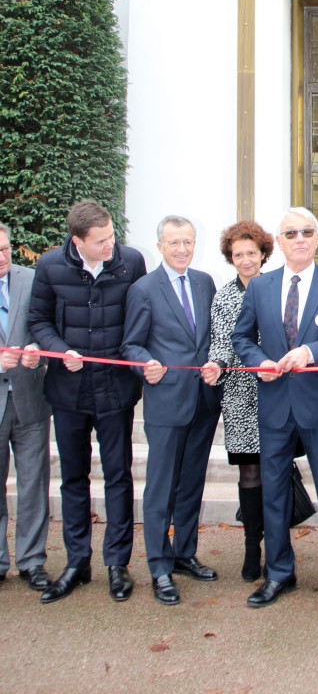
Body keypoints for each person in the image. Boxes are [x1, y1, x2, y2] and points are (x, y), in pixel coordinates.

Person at [232, 207, 318, 613]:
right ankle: (278, 572)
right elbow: (241, 337)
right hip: (274, 407)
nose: (299, 238)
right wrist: (259, 362)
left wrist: (310, 352)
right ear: (280, 241)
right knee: (274, 494)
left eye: (307, 232)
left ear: (317, 238)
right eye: (291, 233)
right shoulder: (260, 287)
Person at [28, 200, 146, 604]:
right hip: (68, 392)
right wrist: (60, 350)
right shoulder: (50, 266)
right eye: (101, 241)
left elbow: (140, 318)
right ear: (78, 241)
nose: (110, 245)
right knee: (73, 479)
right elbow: (38, 320)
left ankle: (118, 563)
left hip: (115, 391)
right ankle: (77, 562)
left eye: (112, 236)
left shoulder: (131, 262)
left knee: (118, 476)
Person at [121, 215, 221, 605]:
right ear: (160, 246)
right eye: (174, 242)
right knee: (161, 488)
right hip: (166, 401)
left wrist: (216, 363)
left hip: (203, 401)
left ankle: (184, 553)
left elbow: (211, 338)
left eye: (188, 242)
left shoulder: (204, 282)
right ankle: (159, 567)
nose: (182, 249)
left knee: (191, 483)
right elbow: (131, 345)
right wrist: (144, 363)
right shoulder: (144, 289)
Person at [202, 220, 275, 582]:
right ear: (230, 259)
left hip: (277, 390)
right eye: (238, 255)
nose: (246, 260)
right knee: (249, 473)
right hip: (239, 395)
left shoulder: (278, 287)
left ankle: (277, 547)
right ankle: (251, 545)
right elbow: (220, 341)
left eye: (251, 253)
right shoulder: (224, 296)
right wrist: (216, 364)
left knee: (275, 471)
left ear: (263, 253)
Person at [0, 222, 52, 592]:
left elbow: (45, 328)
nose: (2, 257)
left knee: (34, 484)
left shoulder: (30, 280)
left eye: (4, 249)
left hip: (30, 399)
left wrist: (39, 352)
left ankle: (32, 561)